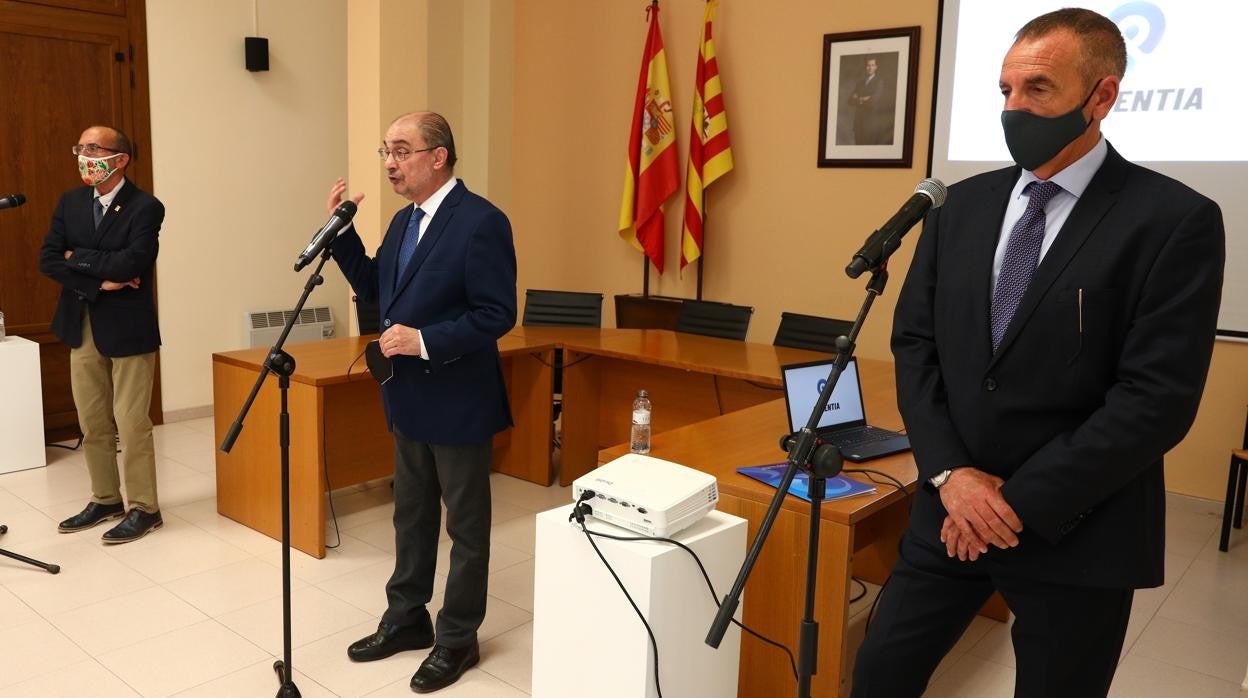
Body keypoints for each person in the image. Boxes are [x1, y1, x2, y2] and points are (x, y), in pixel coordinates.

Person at [852, 9, 1224, 697]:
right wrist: (953, 477)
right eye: (1004, 91)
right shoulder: (955, 209)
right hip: (950, 514)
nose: (1014, 108)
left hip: (1077, 529)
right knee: (878, 676)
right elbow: (916, 345)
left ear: (1102, 97)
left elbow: (1156, 400)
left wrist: (1014, 503)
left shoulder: (1173, 221)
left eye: (1039, 89)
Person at [329, 112, 517, 694]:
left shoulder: (481, 221)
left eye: (402, 150)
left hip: (458, 396)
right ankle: (406, 617)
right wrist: (340, 233)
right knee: (410, 516)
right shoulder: (404, 220)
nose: (390, 162)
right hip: (408, 396)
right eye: (386, 151)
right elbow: (378, 285)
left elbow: (496, 314)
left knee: (466, 527)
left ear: (438, 156)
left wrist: (424, 340)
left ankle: (457, 636)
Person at [39, 126, 166, 544]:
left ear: (120, 159)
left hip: (128, 328)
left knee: (131, 423)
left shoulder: (145, 206)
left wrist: (82, 259)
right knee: (92, 421)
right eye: (80, 147)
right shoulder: (71, 201)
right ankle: (106, 498)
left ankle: (145, 507)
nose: (83, 155)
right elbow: (50, 259)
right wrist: (98, 280)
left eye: (92, 148)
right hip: (81, 320)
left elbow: (132, 263)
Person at [848, 57, 885, 145]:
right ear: (865, 67)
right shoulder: (860, 83)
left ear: (876, 67)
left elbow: (874, 99)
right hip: (858, 123)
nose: (870, 68)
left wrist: (858, 98)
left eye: (872, 65)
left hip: (870, 123)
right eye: (868, 65)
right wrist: (864, 99)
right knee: (858, 149)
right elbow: (850, 101)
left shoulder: (879, 82)